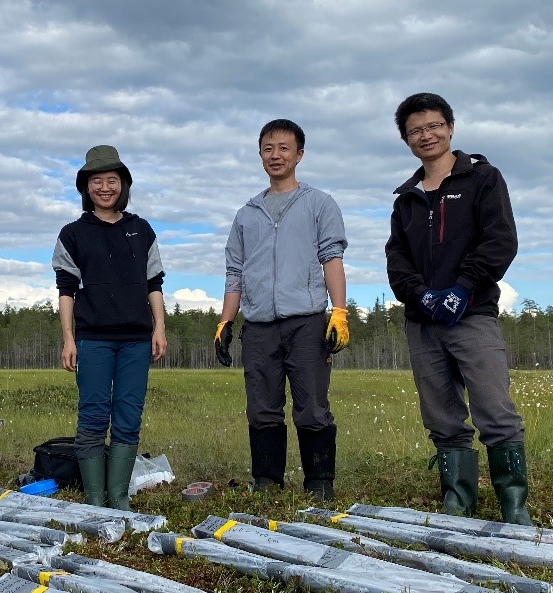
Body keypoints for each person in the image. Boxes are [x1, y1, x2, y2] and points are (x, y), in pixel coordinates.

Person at [385, 92, 533, 525]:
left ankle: (514, 506)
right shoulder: (406, 198)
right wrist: (420, 295)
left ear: (450, 128)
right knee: (441, 414)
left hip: (472, 315)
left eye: (433, 126)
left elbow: (500, 240)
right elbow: (397, 259)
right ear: (407, 141)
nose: (425, 135)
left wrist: (464, 287)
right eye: (415, 131)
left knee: (494, 408)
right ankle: (459, 501)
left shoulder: (483, 179)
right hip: (423, 322)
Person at [215, 119, 350, 498]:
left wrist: (338, 312)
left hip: (306, 322)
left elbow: (332, 258)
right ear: (260, 155)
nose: (276, 155)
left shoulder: (319, 204)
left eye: (284, 148)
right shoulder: (247, 213)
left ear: (299, 155)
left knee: (311, 406)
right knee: (261, 408)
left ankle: (320, 483)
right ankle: (267, 481)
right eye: (268, 148)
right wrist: (226, 321)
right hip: (258, 327)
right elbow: (234, 272)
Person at [53, 145, 167, 509]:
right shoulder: (72, 234)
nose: (105, 187)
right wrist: (68, 339)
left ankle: (118, 497)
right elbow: (66, 292)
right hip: (93, 340)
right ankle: (94, 497)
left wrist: (159, 329)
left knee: (129, 414)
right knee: (93, 412)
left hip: (135, 340)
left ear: (123, 184)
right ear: (86, 187)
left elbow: (154, 284)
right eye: (96, 181)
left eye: (112, 180)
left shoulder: (141, 230)